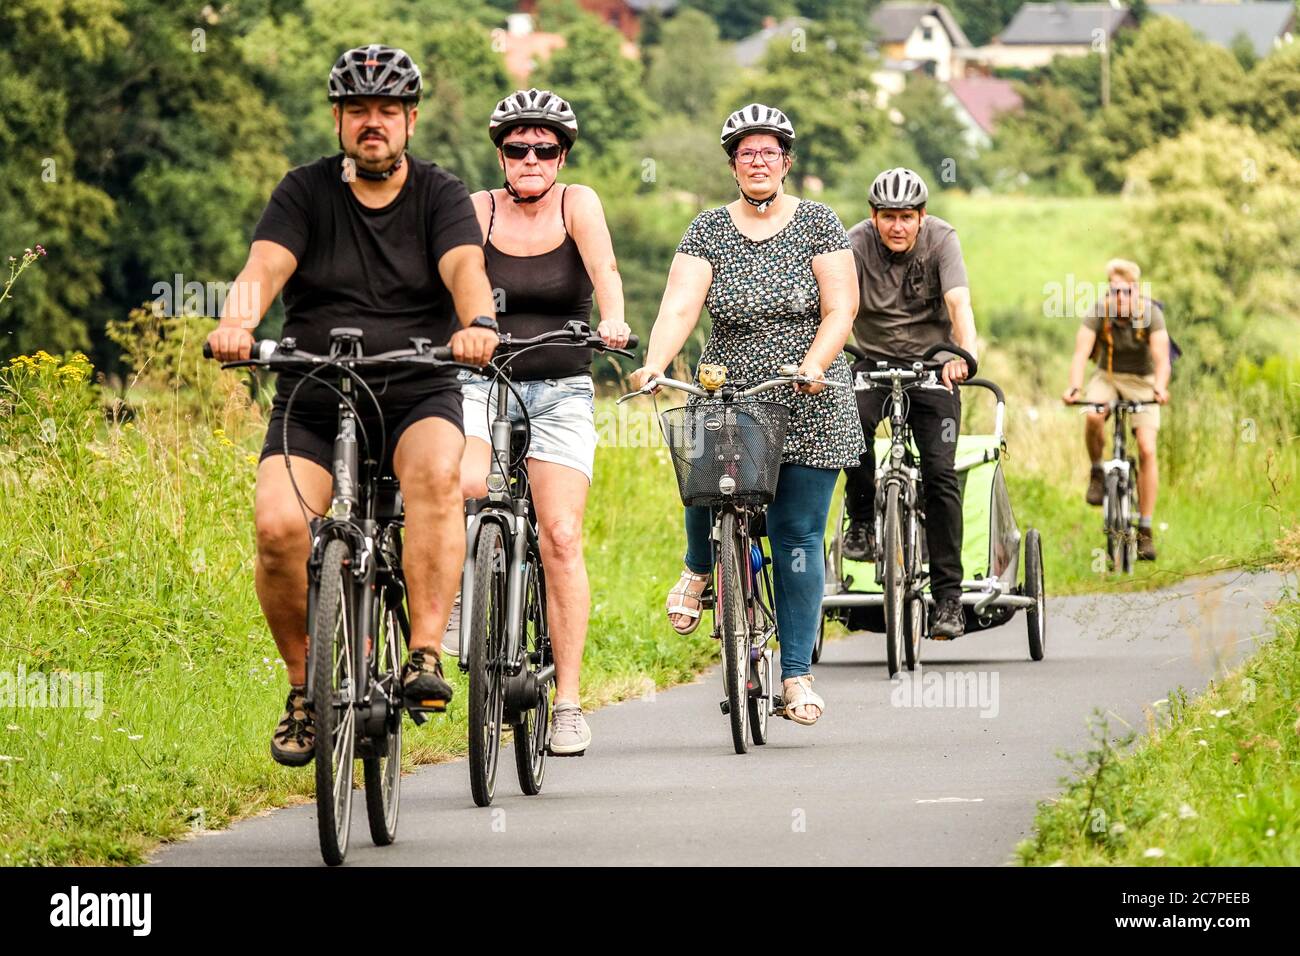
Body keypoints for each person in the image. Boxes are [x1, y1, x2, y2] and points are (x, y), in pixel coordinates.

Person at [205, 45, 500, 766]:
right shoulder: (304, 192)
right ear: (338, 119)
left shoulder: (440, 194)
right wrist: (238, 322)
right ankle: (306, 692)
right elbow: (263, 265)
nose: (374, 124)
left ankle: (425, 653)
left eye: (388, 111)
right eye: (359, 111)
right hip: (314, 388)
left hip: (415, 384)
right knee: (279, 529)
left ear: (411, 120)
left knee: (434, 476)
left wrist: (478, 325)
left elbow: (466, 267)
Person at [629, 104, 862, 725]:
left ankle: (795, 677)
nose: (757, 162)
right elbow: (681, 304)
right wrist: (655, 363)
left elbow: (841, 307)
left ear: (786, 162)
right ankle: (700, 568)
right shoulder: (708, 229)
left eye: (769, 153)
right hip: (734, 384)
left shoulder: (818, 222)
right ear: (733, 163)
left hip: (809, 392)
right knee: (704, 478)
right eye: (746, 153)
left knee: (797, 537)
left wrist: (815, 363)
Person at [452, 88, 631, 756]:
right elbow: (453, 281)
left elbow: (605, 272)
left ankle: (570, 702)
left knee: (558, 534)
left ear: (561, 154)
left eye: (544, 148)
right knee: (468, 487)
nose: (530, 158)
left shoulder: (576, 203)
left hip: (558, 387)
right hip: (481, 380)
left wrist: (612, 319)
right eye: (517, 147)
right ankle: (457, 619)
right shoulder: (476, 210)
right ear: (500, 153)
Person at [840, 168, 979, 639]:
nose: (897, 226)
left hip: (933, 366)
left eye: (906, 217)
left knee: (941, 474)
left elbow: (959, 304)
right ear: (873, 217)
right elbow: (837, 305)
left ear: (921, 216)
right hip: (870, 362)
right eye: (887, 217)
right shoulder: (854, 242)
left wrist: (964, 354)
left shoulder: (942, 239)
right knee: (848, 428)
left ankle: (948, 601)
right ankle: (860, 522)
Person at [1062, 258, 1170, 560]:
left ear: (1136, 291)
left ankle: (1145, 529)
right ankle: (1097, 470)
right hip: (1107, 376)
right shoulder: (1100, 312)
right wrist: (1074, 387)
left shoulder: (1150, 314)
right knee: (1094, 415)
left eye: (1124, 292)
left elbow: (1162, 359)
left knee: (1147, 448)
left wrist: (1160, 387)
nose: (1118, 298)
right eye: (1113, 291)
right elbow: (1081, 354)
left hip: (1142, 380)